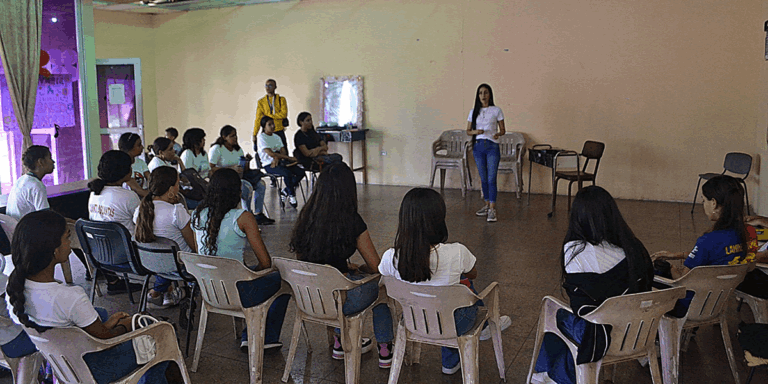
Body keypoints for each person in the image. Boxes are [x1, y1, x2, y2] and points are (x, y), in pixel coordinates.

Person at [5, 211, 175, 383]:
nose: (70, 244)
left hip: (64, 366)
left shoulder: (14, 289)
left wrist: (107, 325)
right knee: (158, 336)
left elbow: (80, 333)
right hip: (95, 369)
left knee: (103, 314)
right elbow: (106, 339)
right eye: (67, 238)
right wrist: (125, 326)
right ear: (54, 250)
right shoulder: (70, 297)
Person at [378, 187, 512, 375]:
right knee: (461, 283)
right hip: (457, 322)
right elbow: (473, 273)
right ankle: (466, 345)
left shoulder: (391, 257)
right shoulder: (456, 252)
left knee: (443, 291)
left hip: (414, 319)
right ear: (439, 219)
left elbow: (384, 277)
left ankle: (451, 360)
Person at [531, 186, 654, 384]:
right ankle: (550, 374)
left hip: (602, 336)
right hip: (639, 330)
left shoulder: (575, 250)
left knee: (558, 314)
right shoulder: (633, 247)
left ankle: (545, 375)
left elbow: (581, 305)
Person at [289, 162, 393, 367]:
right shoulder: (352, 220)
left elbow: (305, 261)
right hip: (339, 298)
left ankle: (340, 341)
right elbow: (376, 267)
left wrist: (342, 267)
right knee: (382, 288)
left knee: (340, 282)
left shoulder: (306, 216)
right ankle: (385, 349)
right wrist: (361, 269)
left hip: (309, 297)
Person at [191, 168, 288, 352]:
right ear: (237, 191)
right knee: (282, 278)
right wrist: (253, 273)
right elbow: (265, 263)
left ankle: (248, 333)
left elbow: (199, 254)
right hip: (238, 291)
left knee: (244, 271)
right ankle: (263, 336)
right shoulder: (243, 217)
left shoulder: (197, 214)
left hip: (208, 290)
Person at [652, 175, 758, 316]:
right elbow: (717, 254)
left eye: (704, 200)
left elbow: (681, 280)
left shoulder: (708, 240)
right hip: (717, 302)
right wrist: (675, 255)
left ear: (713, 203)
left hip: (690, 306)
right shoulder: (748, 233)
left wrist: (670, 267)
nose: (703, 205)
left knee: (652, 272)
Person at [134, 167, 196, 309]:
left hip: (150, 263)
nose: (179, 187)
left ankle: (164, 292)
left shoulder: (140, 210)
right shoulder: (176, 211)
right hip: (182, 267)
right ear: (170, 190)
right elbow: (194, 246)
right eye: (177, 184)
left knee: (166, 256)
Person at [88, 151, 143, 295]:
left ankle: (113, 282)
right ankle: (162, 291)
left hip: (99, 253)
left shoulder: (94, 193)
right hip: (127, 255)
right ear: (126, 172)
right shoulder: (129, 196)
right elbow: (142, 226)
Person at [209, 125, 273, 225]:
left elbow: (244, 169)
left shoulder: (238, 149)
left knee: (261, 184)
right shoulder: (217, 148)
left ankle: (258, 213)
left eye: (236, 136)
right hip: (225, 179)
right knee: (246, 187)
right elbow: (211, 168)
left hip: (240, 177)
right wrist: (231, 169)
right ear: (224, 137)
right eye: (232, 136)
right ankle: (248, 214)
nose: (235, 138)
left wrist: (246, 162)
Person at [466, 83, 505, 223]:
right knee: (483, 178)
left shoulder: (496, 110)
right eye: (481, 93)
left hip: (492, 146)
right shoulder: (473, 111)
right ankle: (487, 204)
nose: (483, 95)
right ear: (478, 95)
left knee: (491, 177)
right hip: (478, 146)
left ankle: (493, 208)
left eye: (486, 93)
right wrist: (476, 132)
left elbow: (503, 130)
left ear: (490, 95)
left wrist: (498, 134)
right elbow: (468, 130)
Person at [257, 116, 305, 209]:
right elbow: (270, 153)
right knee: (287, 173)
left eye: (273, 123)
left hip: (279, 162)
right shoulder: (262, 138)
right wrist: (286, 158)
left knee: (300, 172)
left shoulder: (277, 137)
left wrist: (277, 158)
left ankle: (285, 191)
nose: (272, 126)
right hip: (269, 165)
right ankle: (292, 195)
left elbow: (283, 150)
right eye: (269, 124)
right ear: (264, 127)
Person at [5, 145, 53, 220]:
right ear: (40, 162)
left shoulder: (21, 180)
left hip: (17, 229)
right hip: (28, 230)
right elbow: (46, 217)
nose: (53, 162)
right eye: (50, 158)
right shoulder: (36, 185)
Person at [253, 79, 289, 149]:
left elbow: (284, 114)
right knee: (266, 154)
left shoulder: (281, 99)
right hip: (267, 132)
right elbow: (258, 119)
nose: (267, 87)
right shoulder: (261, 102)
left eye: (270, 85)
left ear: (275, 87)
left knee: (283, 152)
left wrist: (268, 115)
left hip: (279, 130)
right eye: (266, 85)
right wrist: (254, 134)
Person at [118, 132, 150, 198]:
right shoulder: (120, 166)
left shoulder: (141, 162)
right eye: (139, 145)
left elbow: (150, 178)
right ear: (129, 147)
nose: (142, 147)